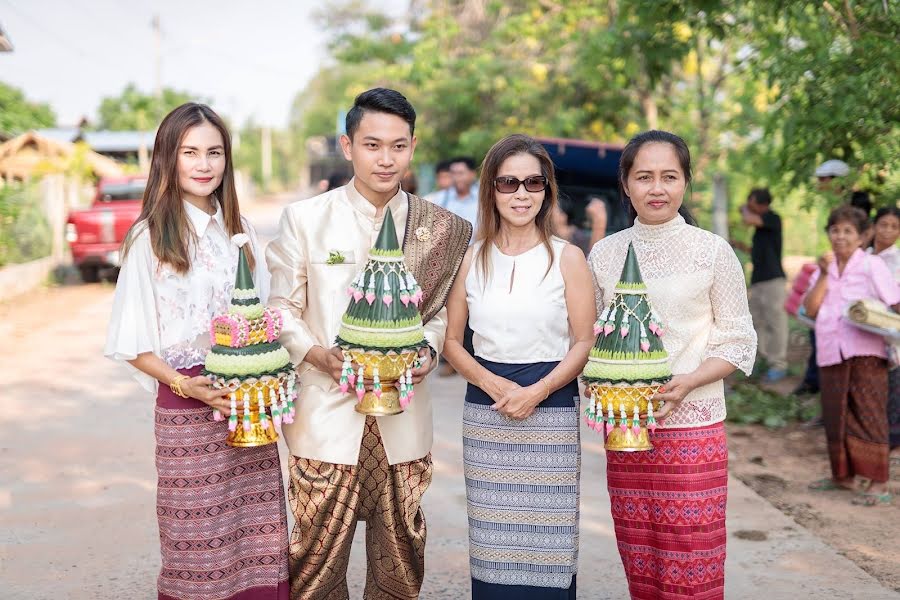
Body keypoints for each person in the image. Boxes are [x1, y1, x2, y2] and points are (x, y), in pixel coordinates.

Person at [265, 88, 472, 600]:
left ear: (413, 146)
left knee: (401, 555)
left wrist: (426, 349)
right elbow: (280, 309)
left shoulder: (438, 228)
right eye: (373, 145)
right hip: (325, 412)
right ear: (347, 145)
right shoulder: (306, 219)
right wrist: (315, 353)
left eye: (398, 146)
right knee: (315, 558)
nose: (386, 159)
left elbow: (441, 312)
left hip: (404, 416)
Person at [104, 103, 290, 599]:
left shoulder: (242, 232)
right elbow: (132, 342)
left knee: (259, 539)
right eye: (190, 152)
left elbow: (266, 319)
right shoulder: (150, 237)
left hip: (249, 407)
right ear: (169, 158)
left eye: (214, 152)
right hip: (186, 405)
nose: (204, 164)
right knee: (196, 546)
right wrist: (186, 385)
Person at [588, 130, 756, 599]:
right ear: (625, 183)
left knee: (692, 552)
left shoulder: (712, 250)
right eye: (644, 177)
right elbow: (589, 337)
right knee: (638, 548)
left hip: (694, 427)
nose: (656, 188)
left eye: (669, 176)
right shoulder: (605, 253)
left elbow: (739, 338)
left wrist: (690, 381)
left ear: (685, 182)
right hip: (625, 426)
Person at [442, 134, 595, 598]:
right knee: (493, 543)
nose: (521, 194)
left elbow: (584, 340)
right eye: (509, 183)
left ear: (547, 190)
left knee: (548, 544)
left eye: (533, 182)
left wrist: (537, 391)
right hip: (486, 412)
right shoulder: (470, 258)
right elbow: (451, 341)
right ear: (491, 189)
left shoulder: (568, 258)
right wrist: (492, 384)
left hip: (551, 407)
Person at [804, 205, 900, 506]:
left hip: (866, 351)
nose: (840, 237)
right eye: (835, 231)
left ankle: (879, 481)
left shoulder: (871, 265)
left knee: (868, 413)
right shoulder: (825, 267)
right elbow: (811, 309)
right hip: (832, 349)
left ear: (862, 237)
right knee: (836, 415)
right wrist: (822, 273)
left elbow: (894, 302)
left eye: (848, 232)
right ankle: (843, 477)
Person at [740, 188, 788, 382]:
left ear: (762, 205)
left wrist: (744, 209)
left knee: (776, 322)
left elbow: (749, 219)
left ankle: (779, 364)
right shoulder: (761, 230)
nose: (749, 210)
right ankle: (765, 358)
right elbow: (759, 251)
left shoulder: (772, 218)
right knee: (757, 321)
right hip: (759, 280)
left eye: (752, 206)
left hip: (773, 279)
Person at [869, 207, 900, 464]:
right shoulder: (864, 256)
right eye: (884, 224)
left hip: (890, 331)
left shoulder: (897, 261)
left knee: (893, 387)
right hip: (862, 331)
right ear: (874, 226)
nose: (887, 230)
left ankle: (894, 443)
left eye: (894, 226)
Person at [439, 156, 480, 235]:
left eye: (461, 173)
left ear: (472, 174)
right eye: (453, 173)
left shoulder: (483, 199)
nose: (457, 178)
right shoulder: (441, 199)